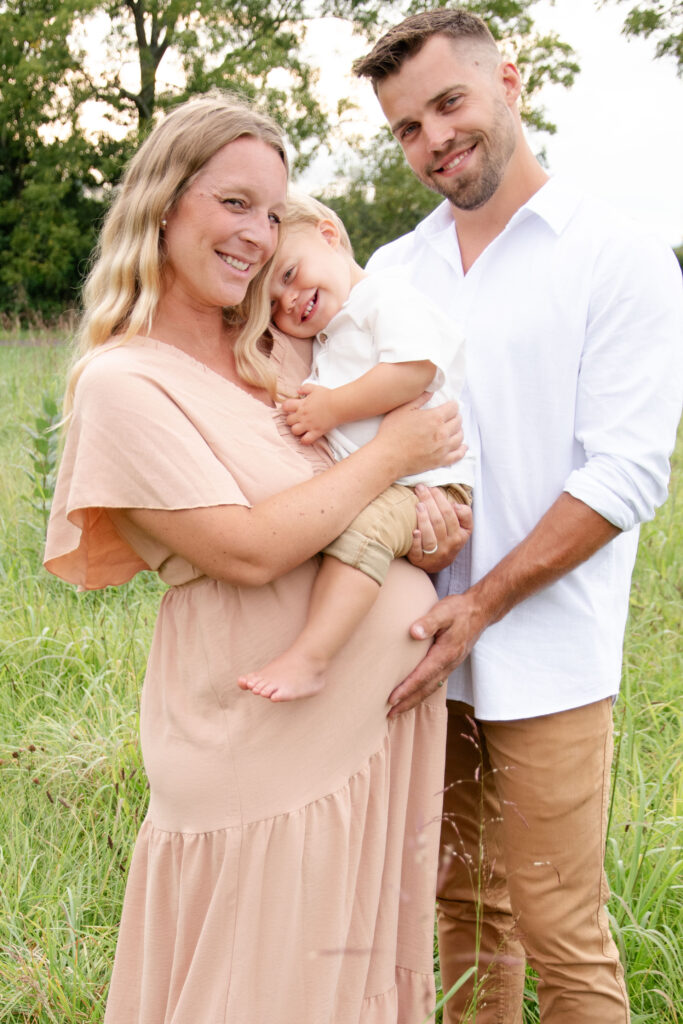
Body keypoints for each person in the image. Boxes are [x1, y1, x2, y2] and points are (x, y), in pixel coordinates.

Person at [43, 90, 470, 1023]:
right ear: (163, 204)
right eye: (233, 202)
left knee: (344, 989)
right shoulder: (126, 381)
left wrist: (424, 508)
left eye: (272, 212)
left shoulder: (276, 362)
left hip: (363, 741)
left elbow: (356, 493)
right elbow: (245, 550)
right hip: (262, 755)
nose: (257, 234)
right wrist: (400, 462)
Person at [353, 9, 683, 1024]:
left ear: (509, 80)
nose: (432, 140)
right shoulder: (391, 273)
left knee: (559, 925)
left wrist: (483, 601)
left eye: (447, 104)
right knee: (458, 908)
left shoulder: (616, 255)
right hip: (415, 654)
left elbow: (624, 473)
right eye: (406, 128)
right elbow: (359, 445)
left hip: (548, 652)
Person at [238, 192, 474, 701]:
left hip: (425, 484)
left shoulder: (386, 298)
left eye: (287, 275)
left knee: (363, 533)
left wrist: (333, 407)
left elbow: (414, 372)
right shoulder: (331, 331)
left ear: (328, 235)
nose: (290, 301)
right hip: (396, 480)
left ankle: (313, 657)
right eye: (273, 308)